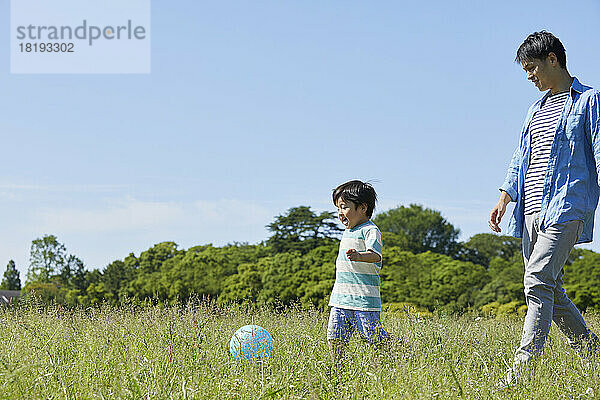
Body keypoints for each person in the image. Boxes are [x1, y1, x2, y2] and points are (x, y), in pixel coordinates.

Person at [489, 31, 600, 381]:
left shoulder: (589, 101)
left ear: (553, 59)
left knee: (536, 281)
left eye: (532, 67)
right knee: (549, 287)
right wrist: (505, 197)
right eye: (525, 70)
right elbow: (521, 156)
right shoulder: (534, 109)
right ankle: (591, 350)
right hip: (531, 211)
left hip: (567, 205)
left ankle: (520, 375)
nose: (529, 76)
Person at [327, 180, 389, 360]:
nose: (340, 213)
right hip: (341, 297)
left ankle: (401, 349)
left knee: (372, 337)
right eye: (338, 208)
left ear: (363, 208)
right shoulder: (348, 231)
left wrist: (361, 256)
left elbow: (376, 255)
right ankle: (337, 369)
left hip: (364, 299)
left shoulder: (371, 230)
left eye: (344, 207)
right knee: (335, 337)